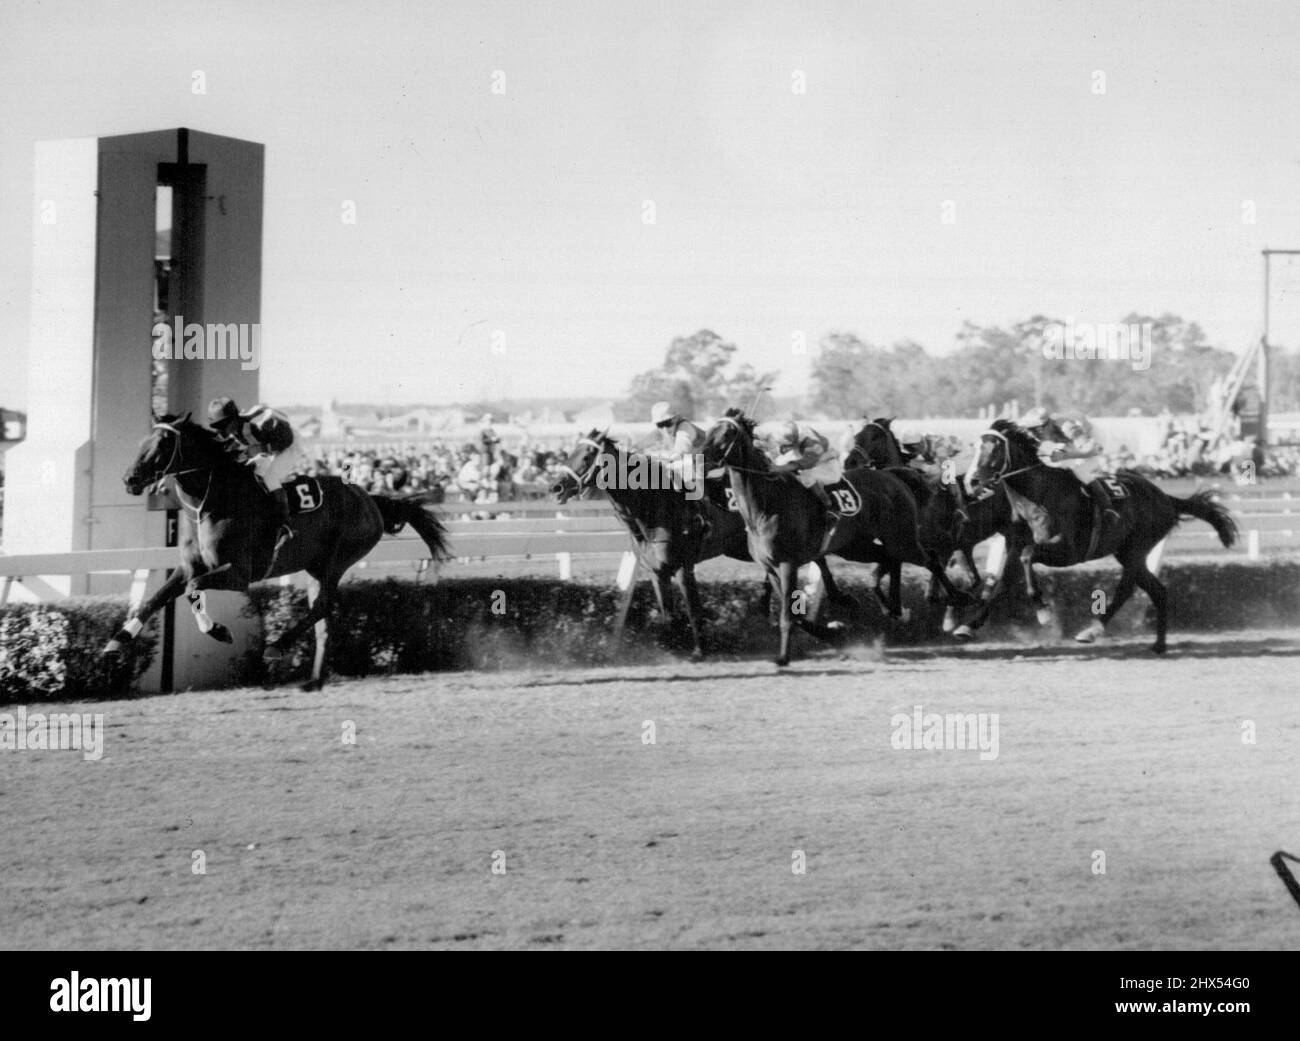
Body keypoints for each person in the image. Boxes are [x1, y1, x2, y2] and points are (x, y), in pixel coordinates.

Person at [208, 397, 298, 546]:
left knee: (270, 476)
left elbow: (286, 440)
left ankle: (285, 524)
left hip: (289, 443)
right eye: (218, 426)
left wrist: (261, 449)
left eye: (223, 425)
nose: (222, 430)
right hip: (270, 444)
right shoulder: (232, 430)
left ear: (234, 418)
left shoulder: (261, 421)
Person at [1018, 406, 1120, 527]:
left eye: (1033, 430)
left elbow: (1095, 449)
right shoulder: (1042, 430)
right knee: (1056, 466)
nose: (1031, 434)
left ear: (1042, 428)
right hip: (1072, 442)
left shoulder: (1067, 427)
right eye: (1029, 430)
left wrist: (1066, 455)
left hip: (1093, 441)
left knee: (1080, 472)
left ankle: (1108, 510)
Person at [754, 418, 844, 515]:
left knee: (806, 475)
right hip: (811, 461)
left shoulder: (810, 441)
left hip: (827, 465)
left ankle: (829, 506)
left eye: (790, 442)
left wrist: (779, 468)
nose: (786, 446)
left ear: (796, 435)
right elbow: (778, 449)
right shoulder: (788, 432)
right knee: (781, 463)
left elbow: (805, 463)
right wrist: (762, 446)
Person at [649, 401, 706, 483]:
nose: (665, 428)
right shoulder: (669, 430)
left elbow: (679, 455)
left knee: (670, 469)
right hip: (696, 461)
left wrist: (653, 456)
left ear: (675, 419)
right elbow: (641, 445)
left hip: (710, 463)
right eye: (660, 425)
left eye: (667, 423)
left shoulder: (684, 428)